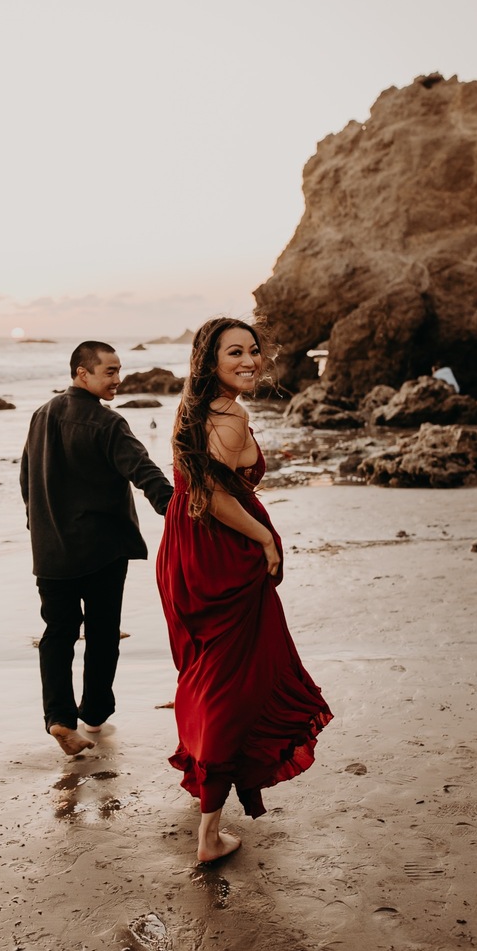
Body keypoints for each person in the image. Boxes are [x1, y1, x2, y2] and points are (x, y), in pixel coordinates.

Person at [156, 317, 333, 863]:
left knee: (211, 673)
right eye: (236, 352)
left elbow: (195, 490)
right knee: (236, 682)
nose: (250, 361)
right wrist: (266, 540)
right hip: (220, 557)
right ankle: (209, 832)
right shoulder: (230, 416)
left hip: (186, 553)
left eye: (254, 351)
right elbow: (210, 495)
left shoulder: (195, 407)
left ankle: (205, 778)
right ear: (210, 360)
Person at [20, 340, 174, 757]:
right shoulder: (108, 424)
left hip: (51, 551)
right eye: (109, 371)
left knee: (58, 634)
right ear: (81, 373)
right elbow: (144, 472)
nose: (117, 379)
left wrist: (39, 528)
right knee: (103, 634)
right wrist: (178, 510)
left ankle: (58, 718)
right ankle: (94, 713)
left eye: (119, 370)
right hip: (101, 550)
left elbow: (26, 480)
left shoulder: (41, 415)